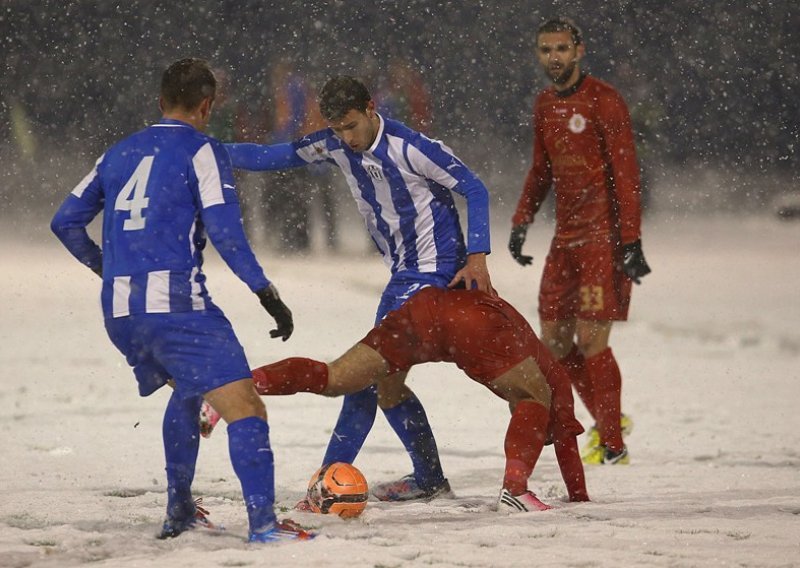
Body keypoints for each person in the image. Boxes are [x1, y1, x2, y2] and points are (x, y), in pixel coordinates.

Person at [50, 58, 313, 543]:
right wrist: (266, 294)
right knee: (246, 409)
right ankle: (265, 528)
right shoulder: (203, 150)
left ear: (160, 101)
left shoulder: (118, 152)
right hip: (177, 307)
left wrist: (106, 269)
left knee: (189, 391)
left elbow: (64, 222)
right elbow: (227, 234)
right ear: (207, 105)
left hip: (122, 311)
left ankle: (180, 510)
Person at [225, 75, 493, 502]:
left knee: (362, 379)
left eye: (351, 125)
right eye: (336, 129)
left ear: (371, 109)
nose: (345, 138)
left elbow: (474, 189)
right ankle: (429, 479)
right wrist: (204, 151)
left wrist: (477, 254)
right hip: (404, 275)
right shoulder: (333, 144)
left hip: (429, 275)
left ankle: (326, 481)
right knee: (388, 386)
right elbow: (271, 156)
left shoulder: (412, 147)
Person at [201, 287, 590, 511]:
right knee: (531, 397)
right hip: (472, 323)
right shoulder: (552, 378)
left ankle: (235, 387)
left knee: (340, 378)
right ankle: (515, 490)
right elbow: (567, 443)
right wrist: (579, 497)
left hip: (420, 307)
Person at [507, 18, 651, 465]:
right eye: (546, 49)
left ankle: (613, 445)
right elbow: (541, 169)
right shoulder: (545, 104)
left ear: (579, 50)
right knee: (552, 343)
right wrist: (521, 220)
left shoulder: (604, 101)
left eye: (562, 49)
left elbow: (626, 174)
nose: (554, 57)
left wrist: (630, 241)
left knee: (592, 340)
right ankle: (608, 420)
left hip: (602, 241)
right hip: (565, 240)